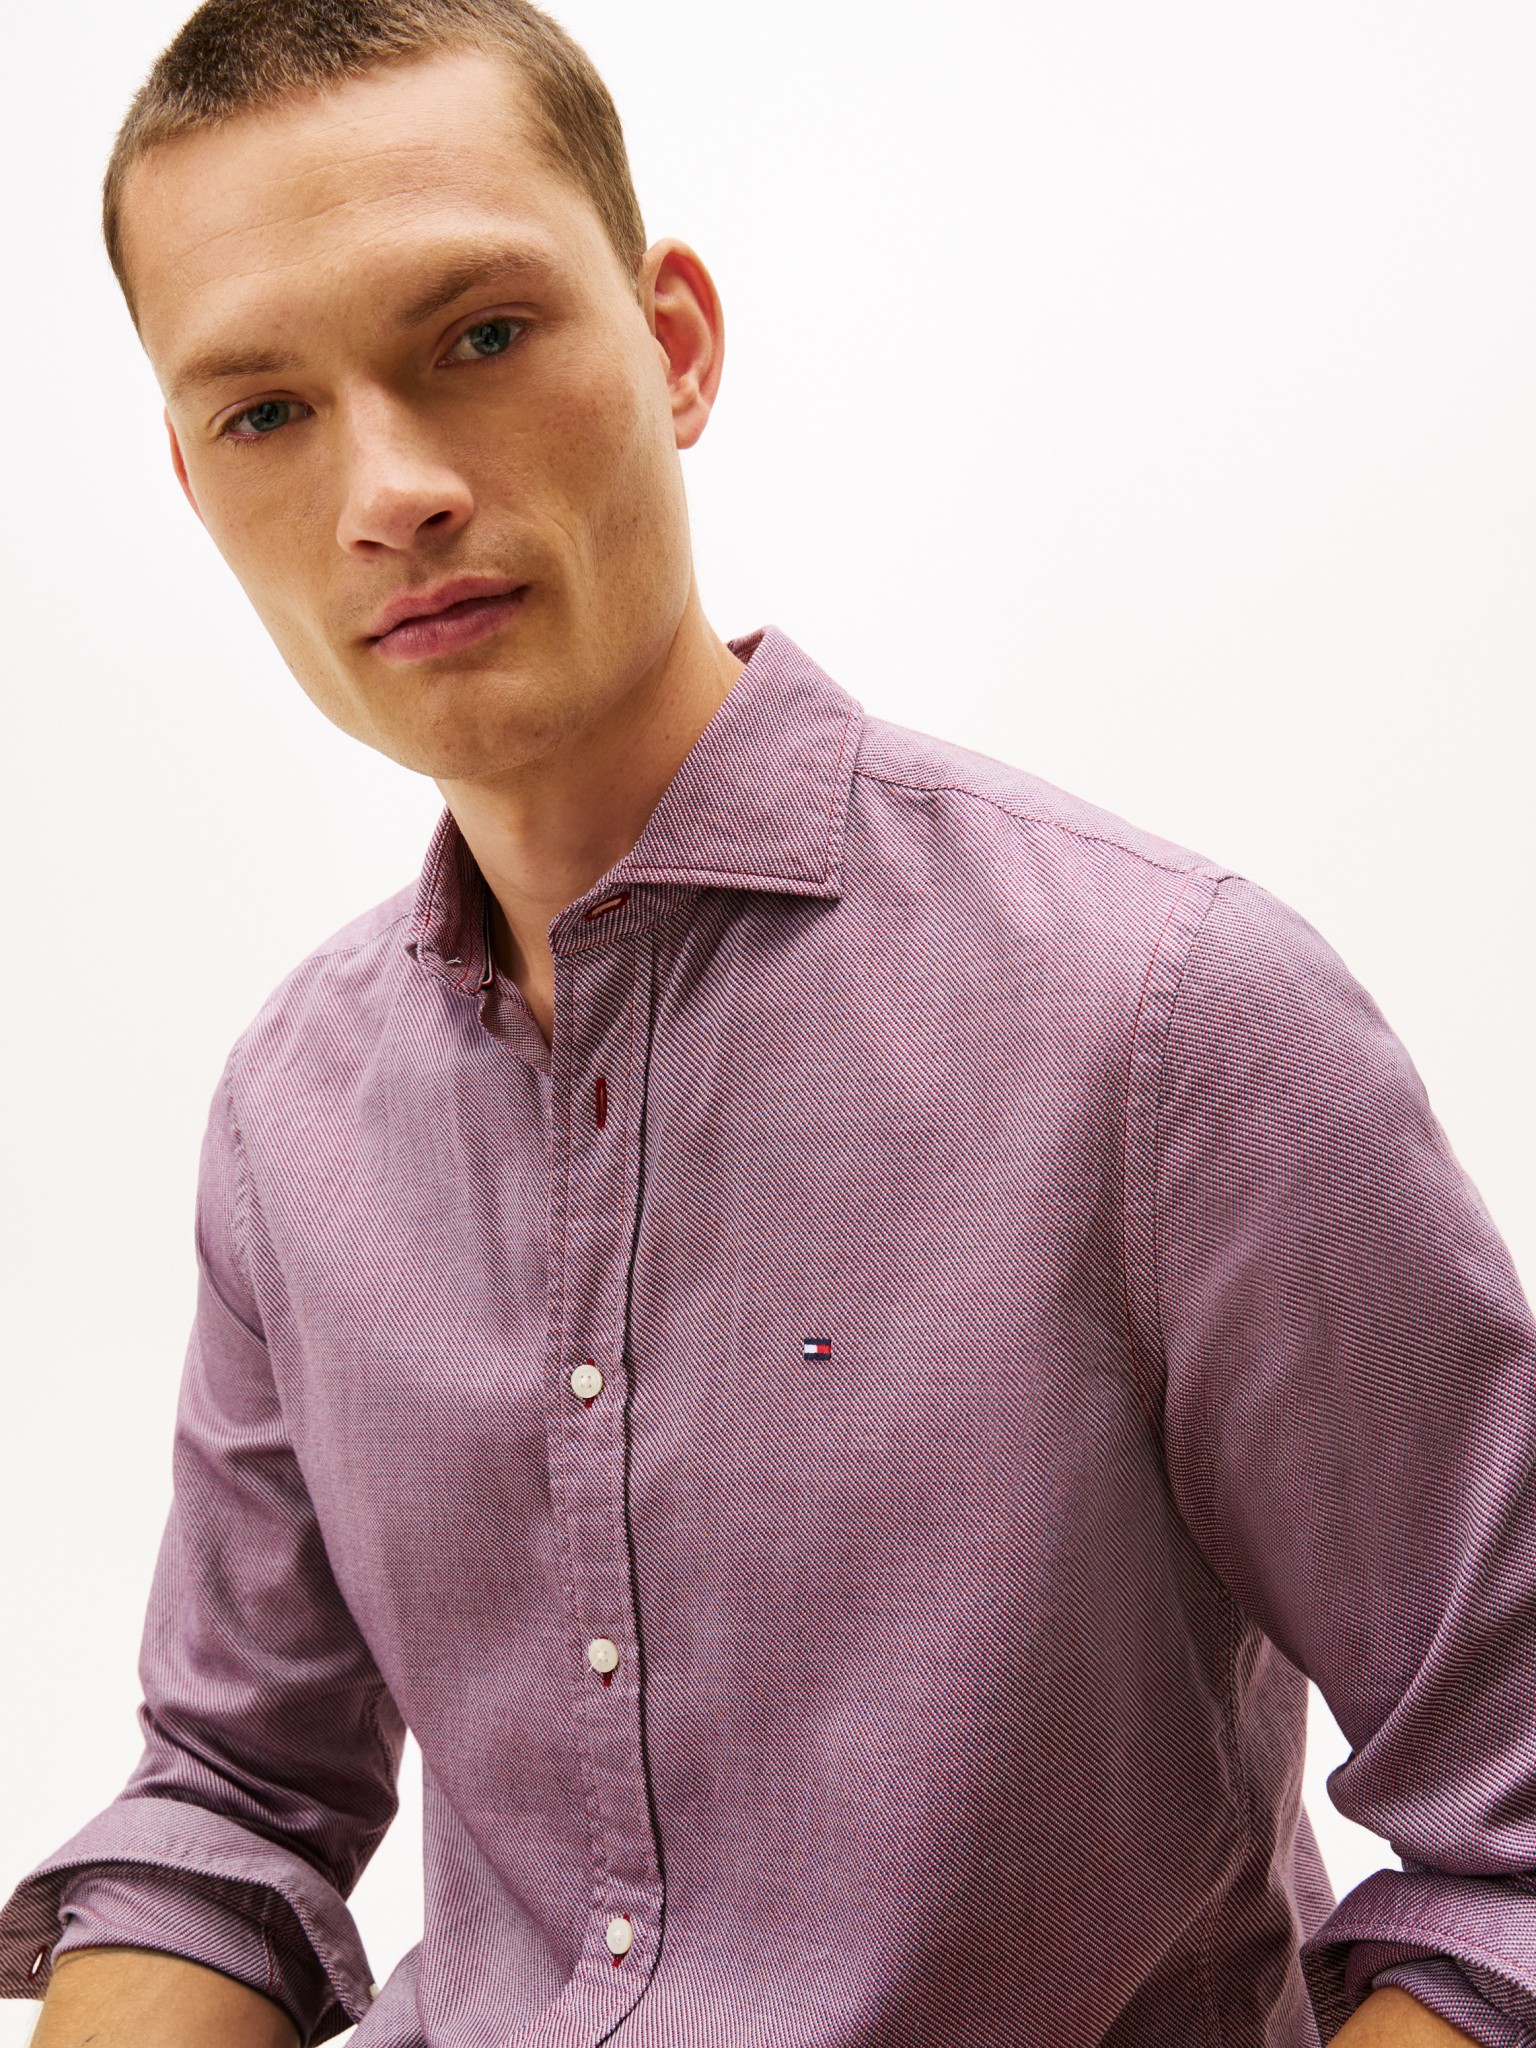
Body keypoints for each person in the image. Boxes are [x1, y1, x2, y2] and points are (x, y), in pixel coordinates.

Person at [2, 1, 1532, 2043]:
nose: (394, 491)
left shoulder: (1175, 1019)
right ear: (196, 484)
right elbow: (232, 1801)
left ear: (675, 345)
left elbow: (1514, 1836)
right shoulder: (295, 1112)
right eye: (269, 412)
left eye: (479, 335)